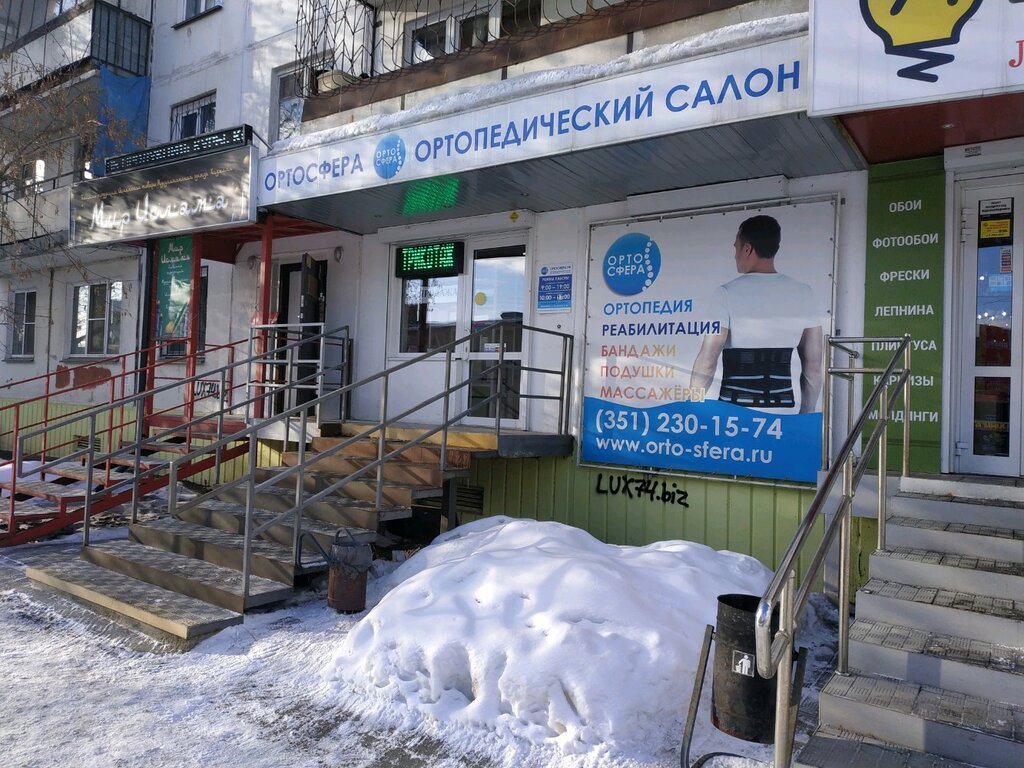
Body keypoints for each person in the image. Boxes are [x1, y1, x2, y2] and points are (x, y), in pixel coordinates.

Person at [689, 215, 823, 412]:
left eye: (736, 247)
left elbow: (707, 362)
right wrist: (806, 415)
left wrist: (693, 407)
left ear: (747, 249)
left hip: (735, 415)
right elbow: (813, 367)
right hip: (784, 415)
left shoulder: (725, 293)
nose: (735, 254)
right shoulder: (804, 293)